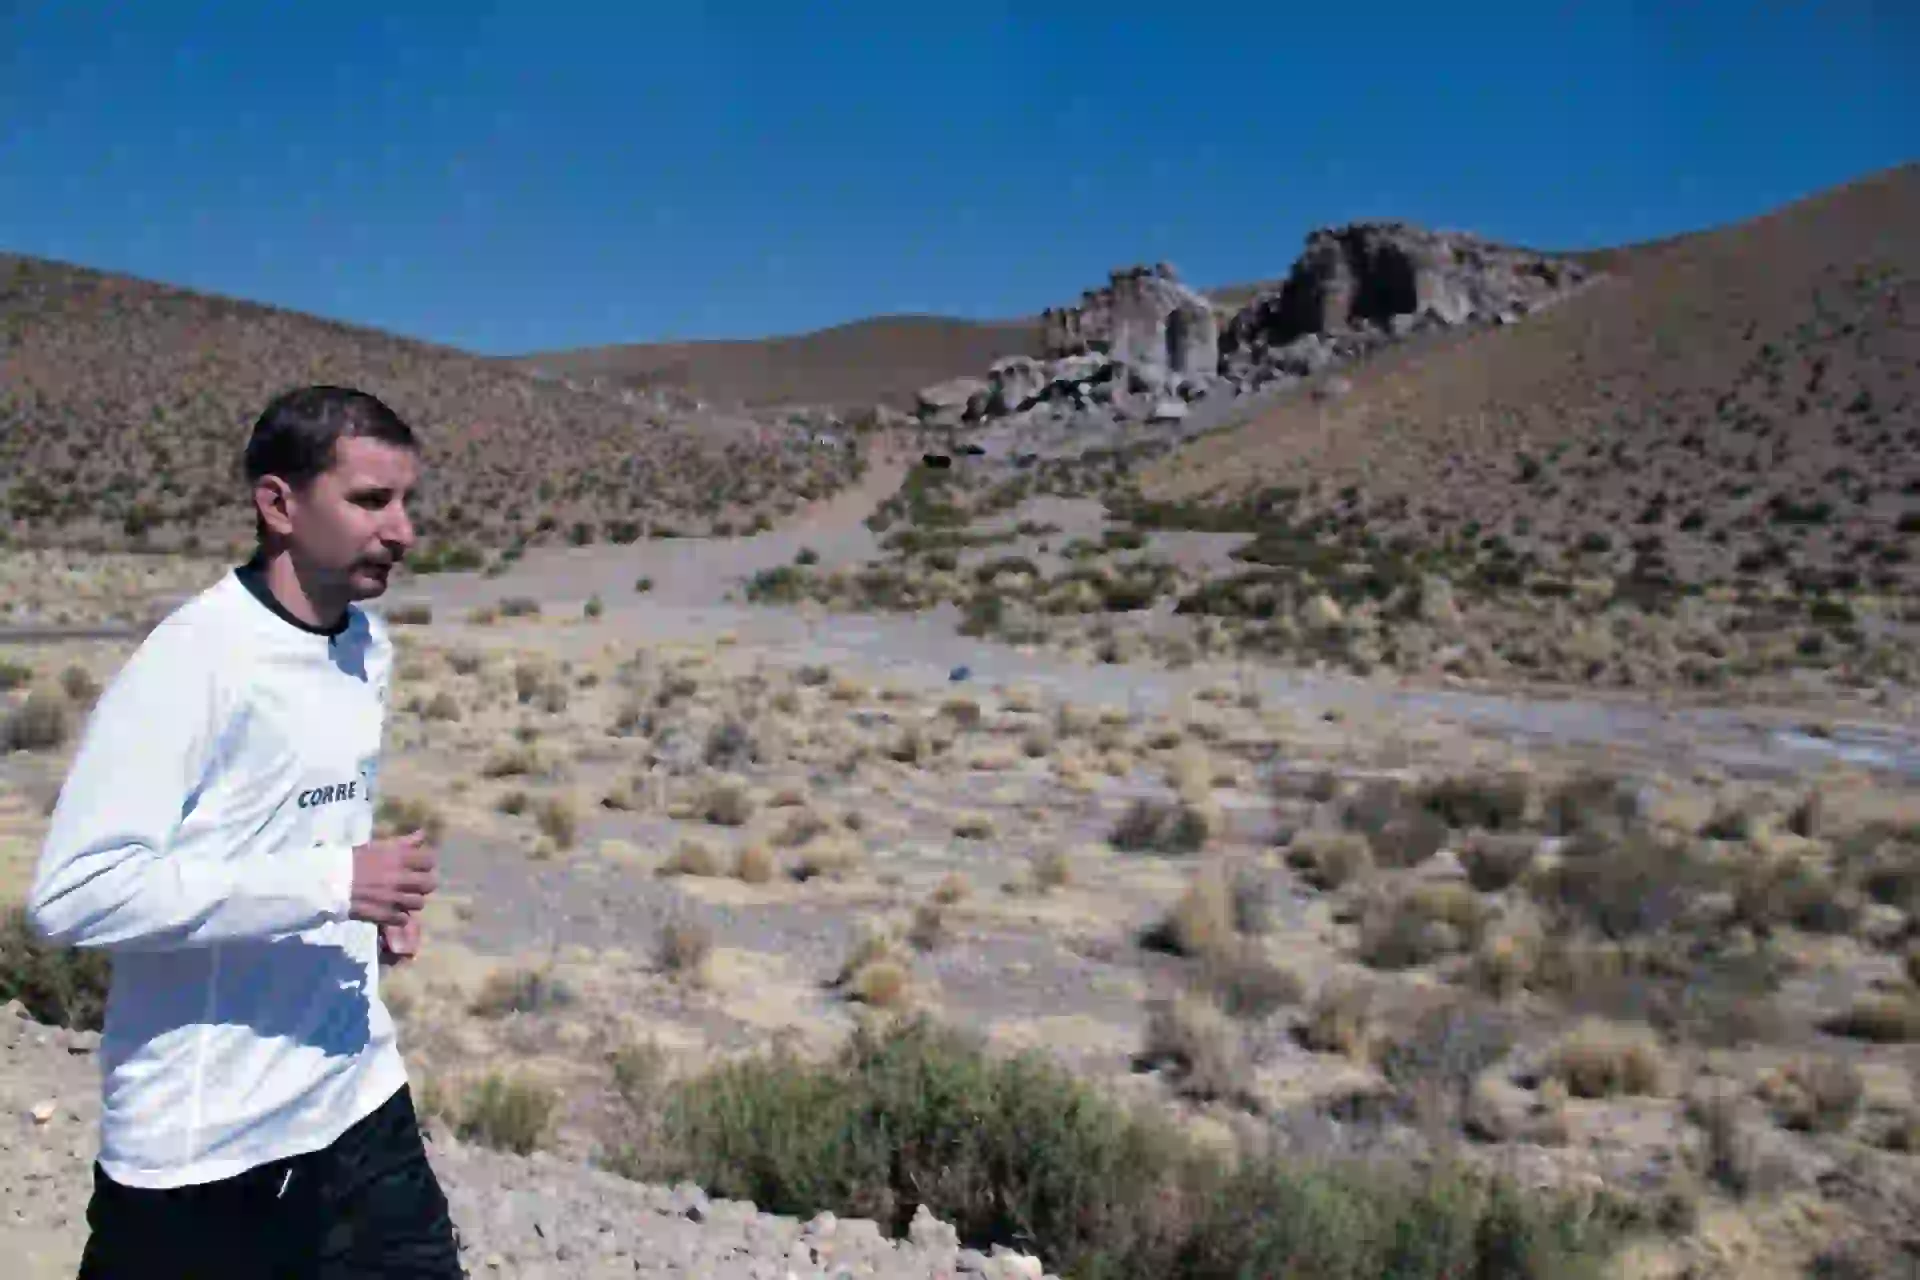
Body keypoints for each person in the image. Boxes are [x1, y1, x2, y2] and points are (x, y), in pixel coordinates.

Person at [26, 385, 463, 1278]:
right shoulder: (194, 660)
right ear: (279, 505)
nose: (404, 530)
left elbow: (301, 827)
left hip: (356, 1099)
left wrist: (369, 911)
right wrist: (334, 884)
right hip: (206, 1155)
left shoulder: (367, 648)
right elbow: (73, 894)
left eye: (407, 501)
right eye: (372, 501)